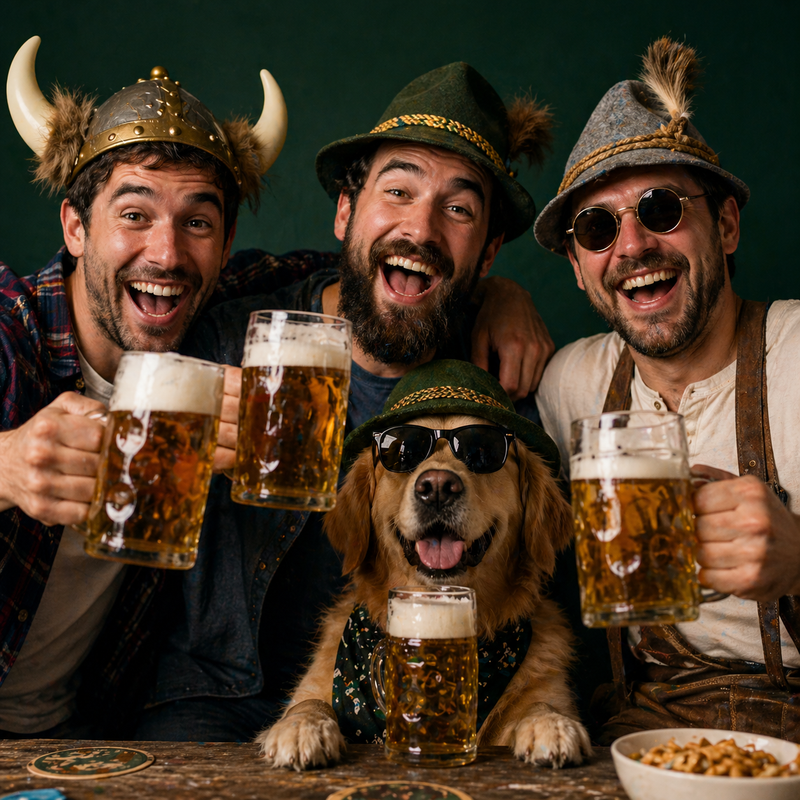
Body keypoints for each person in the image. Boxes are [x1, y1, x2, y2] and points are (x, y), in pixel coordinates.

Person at [0, 40, 550, 739]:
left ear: (223, 245)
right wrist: (4, 460)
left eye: (460, 212)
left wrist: (497, 294)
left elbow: (393, 271)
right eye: (134, 215)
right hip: (198, 712)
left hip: (111, 725)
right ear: (345, 213)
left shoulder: (488, 391)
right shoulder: (30, 330)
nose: (168, 253)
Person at [533, 38, 800, 741]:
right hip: (641, 734)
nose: (630, 247)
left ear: (728, 224)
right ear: (578, 270)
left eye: (661, 209)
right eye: (596, 228)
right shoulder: (569, 385)